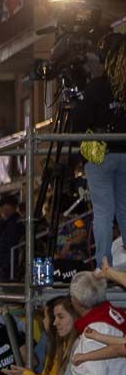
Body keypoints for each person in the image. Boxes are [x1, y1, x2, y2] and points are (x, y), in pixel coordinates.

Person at [70, 34, 126, 267]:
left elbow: (78, 126)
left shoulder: (96, 87)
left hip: (100, 155)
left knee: (103, 211)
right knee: (124, 208)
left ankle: (104, 264)